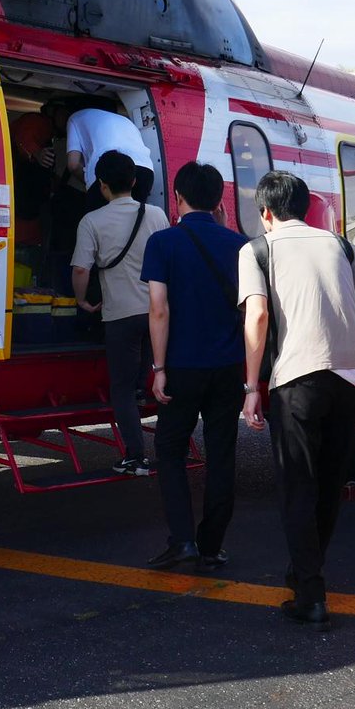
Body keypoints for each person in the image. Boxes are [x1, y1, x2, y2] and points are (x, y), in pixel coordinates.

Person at [239, 170, 355, 630]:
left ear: (266, 212)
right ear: (305, 207)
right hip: (350, 377)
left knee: (298, 485)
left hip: (297, 379)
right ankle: (304, 573)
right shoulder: (342, 246)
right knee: (330, 485)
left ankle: (311, 595)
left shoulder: (257, 249)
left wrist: (251, 387)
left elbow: (258, 316)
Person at [141, 161, 248, 569]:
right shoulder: (239, 245)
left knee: (170, 449)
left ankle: (182, 539)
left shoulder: (162, 243)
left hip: (181, 365)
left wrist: (159, 367)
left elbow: (158, 309)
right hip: (228, 365)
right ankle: (211, 544)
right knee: (222, 453)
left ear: (177, 197)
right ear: (220, 201)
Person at [73, 149, 168, 476]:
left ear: (102, 185)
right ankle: (171, 448)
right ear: (134, 181)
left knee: (122, 389)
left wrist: (82, 301)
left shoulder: (91, 221)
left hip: (120, 316)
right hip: (156, 313)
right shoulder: (156, 215)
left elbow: (81, 270)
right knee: (156, 381)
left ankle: (135, 457)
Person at [65, 103, 155, 201]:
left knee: (104, 211)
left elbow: (73, 165)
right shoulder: (124, 120)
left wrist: (89, 183)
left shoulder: (74, 118)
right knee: (137, 210)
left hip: (110, 172)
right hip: (145, 170)